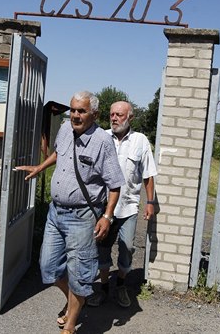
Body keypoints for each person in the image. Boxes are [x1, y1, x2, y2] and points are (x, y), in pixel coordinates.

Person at [16, 91, 124, 334]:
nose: (75, 115)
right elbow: (59, 153)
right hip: (56, 213)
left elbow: (115, 184)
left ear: (94, 114)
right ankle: (78, 299)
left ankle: (71, 324)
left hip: (83, 217)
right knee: (49, 267)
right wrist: (40, 167)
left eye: (81, 111)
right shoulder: (65, 128)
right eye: (73, 110)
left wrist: (107, 217)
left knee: (80, 273)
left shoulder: (102, 142)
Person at [86, 100, 158, 308]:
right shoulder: (102, 137)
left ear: (130, 117)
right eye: (112, 114)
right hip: (103, 207)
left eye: (119, 114)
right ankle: (104, 289)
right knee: (102, 250)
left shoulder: (140, 141)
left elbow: (148, 175)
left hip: (128, 207)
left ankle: (121, 287)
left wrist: (150, 201)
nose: (114, 118)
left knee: (127, 248)